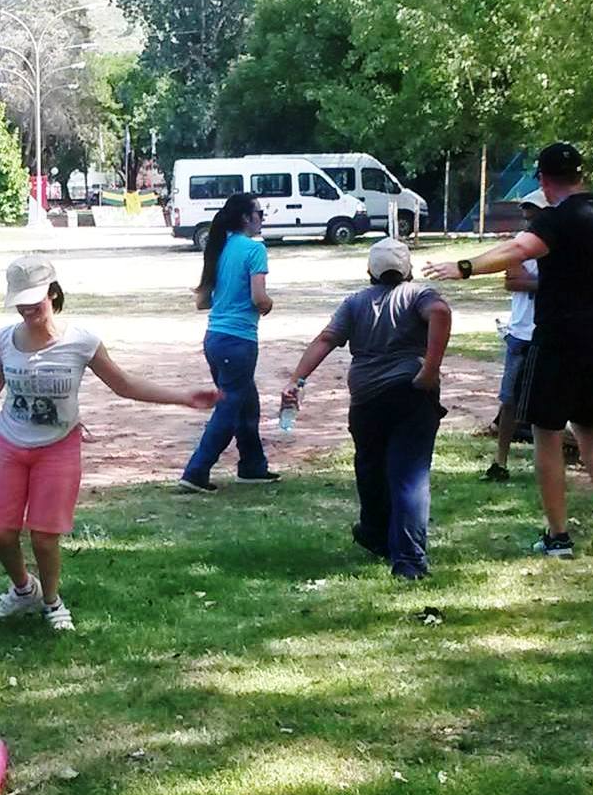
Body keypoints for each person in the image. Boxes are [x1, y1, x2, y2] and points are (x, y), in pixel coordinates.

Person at [0, 255, 217, 631]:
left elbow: (124, 385)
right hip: (10, 444)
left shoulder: (81, 342)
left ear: (53, 293)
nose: (29, 308)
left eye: (36, 299)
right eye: (21, 301)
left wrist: (182, 397)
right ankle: (22, 588)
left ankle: (51, 601)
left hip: (57, 446)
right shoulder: (4, 342)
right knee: (0, 531)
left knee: (45, 537)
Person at [426, 142, 593, 558]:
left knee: (547, 432)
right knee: (592, 425)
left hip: (559, 337)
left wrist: (463, 267)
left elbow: (518, 250)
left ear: (542, 180)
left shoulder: (557, 220)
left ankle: (558, 535)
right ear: (581, 174)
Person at [282, 239, 452, 579]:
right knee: (409, 476)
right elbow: (441, 312)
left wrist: (296, 380)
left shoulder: (355, 302)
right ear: (408, 268)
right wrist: (431, 368)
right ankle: (407, 560)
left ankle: (377, 536)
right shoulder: (419, 294)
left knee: (371, 469)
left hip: (366, 400)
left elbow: (326, 339)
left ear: (369, 271)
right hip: (412, 394)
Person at [178, 192, 281, 492]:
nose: (263, 218)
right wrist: (268, 305)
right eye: (260, 213)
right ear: (247, 218)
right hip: (240, 340)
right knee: (230, 405)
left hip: (215, 338)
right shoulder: (254, 250)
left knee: (247, 402)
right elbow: (258, 298)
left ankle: (252, 466)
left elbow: (202, 301)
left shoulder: (218, 248)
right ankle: (196, 471)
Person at [482, 190, 546, 482]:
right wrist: (547, 282)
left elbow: (522, 279)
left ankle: (547, 464)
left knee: (549, 402)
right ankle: (500, 461)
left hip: (548, 332)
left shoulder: (558, 245)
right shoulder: (518, 245)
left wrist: (531, 280)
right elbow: (512, 280)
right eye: (527, 212)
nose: (528, 218)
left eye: (534, 213)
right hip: (521, 331)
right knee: (509, 400)